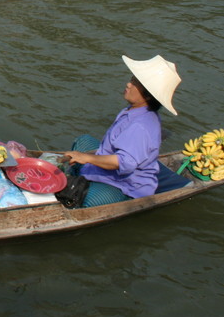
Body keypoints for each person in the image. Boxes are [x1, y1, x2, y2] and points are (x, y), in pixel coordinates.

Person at [61, 54, 183, 207]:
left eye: (134, 83)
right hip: (112, 167)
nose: (128, 84)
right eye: (131, 79)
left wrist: (87, 158)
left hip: (126, 185)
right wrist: (84, 155)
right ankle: (79, 173)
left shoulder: (141, 125)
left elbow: (125, 163)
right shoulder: (133, 110)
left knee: (91, 200)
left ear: (148, 96)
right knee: (83, 141)